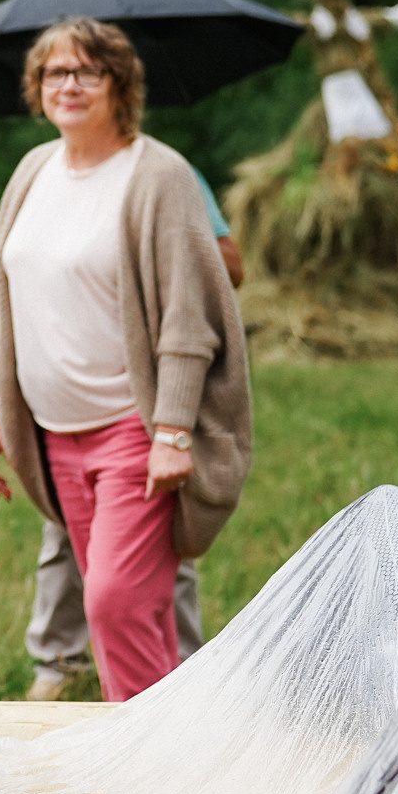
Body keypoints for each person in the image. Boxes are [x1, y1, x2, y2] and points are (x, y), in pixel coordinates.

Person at [0, 18, 253, 704]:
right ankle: (164, 747)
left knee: (114, 604)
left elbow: (190, 318)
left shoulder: (158, 175)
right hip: (54, 435)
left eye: (86, 72)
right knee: (131, 614)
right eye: (53, 73)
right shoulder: (32, 171)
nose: (67, 85)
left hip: (134, 430)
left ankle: (139, 763)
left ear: (119, 84)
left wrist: (173, 431)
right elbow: (0, 302)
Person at [23, 164, 238, 700]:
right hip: (61, 418)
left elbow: (224, 267)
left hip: (132, 406)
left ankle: (173, 684)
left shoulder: (169, 176)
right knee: (79, 559)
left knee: (129, 583)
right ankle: (64, 660)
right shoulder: (41, 175)